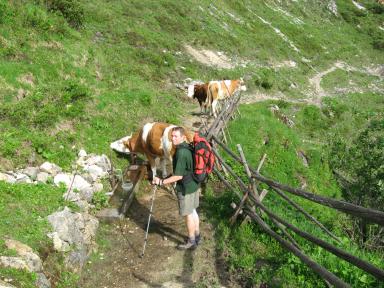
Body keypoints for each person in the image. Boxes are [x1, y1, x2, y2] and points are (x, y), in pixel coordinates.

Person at [152, 126, 200, 250]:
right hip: (194, 184)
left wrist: (162, 181)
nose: (172, 139)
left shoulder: (181, 152)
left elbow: (178, 176)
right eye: (171, 136)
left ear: (183, 137)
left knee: (188, 214)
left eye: (175, 136)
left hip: (185, 188)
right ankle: (197, 235)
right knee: (193, 211)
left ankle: (191, 241)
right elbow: (183, 170)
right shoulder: (188, 147)